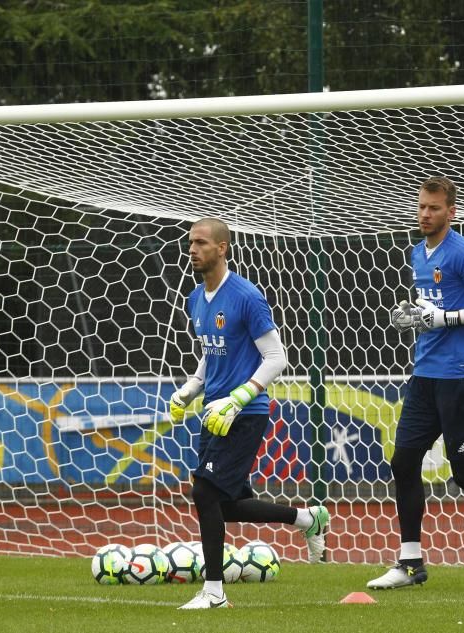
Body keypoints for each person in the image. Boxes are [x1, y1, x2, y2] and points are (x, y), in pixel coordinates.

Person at [367, 176, 464, 592]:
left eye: (434, 208)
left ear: (451, 212)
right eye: (421, 206)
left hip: (463, 379)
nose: (425, 214)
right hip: (425, 376)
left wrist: (445, 319)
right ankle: (410, 562)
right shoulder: (418, 253)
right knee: (403, 462)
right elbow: (433, 306)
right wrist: (417, 314)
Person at [169, 217, 330, 609]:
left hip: (245, 412)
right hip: (214, 413)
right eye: (191, 243)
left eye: (202, 243)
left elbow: (277, 357)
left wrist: (239, 397)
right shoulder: (195, 298)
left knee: (203, 492)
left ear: (222, 248)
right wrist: (193, 386)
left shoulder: (246, 296)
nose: (193, 249)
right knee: (223, 506)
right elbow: (212, 353)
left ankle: (214, 593)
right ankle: (307, 520)